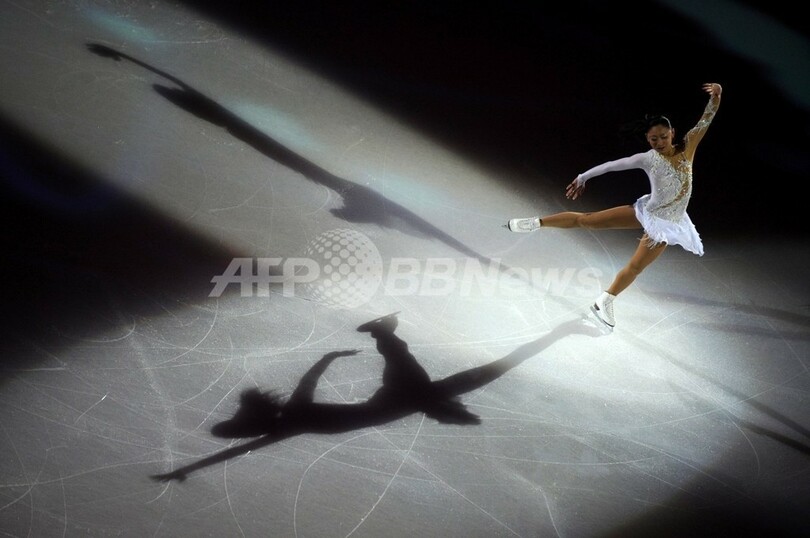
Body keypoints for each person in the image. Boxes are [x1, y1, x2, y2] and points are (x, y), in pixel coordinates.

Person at [507, 83, 722, 329]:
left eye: (664, 136)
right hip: (648, 213)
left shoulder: (688, 146)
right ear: (647, 139)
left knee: (636, 267)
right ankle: (535, 223)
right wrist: (583, 177)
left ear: (673, 132)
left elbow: (706, 119)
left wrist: (717, 95)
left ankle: (604, 300)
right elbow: (612, 165)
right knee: (587, 220)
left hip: (669, 223)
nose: (660, 142)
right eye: (654, 139)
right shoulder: (647, 158)